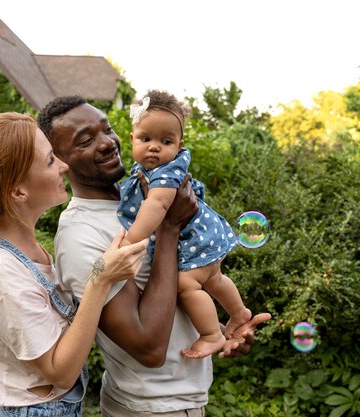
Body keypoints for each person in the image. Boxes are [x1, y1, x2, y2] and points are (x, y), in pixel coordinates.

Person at [38, 96, 271, 416]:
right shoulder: (81, 236)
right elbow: (147, 347)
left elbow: (172, 291)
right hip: (148, 409)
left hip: (186, 403)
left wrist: (220, 328)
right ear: (60, 160)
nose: (107, 142)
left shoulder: (143, 195)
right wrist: (169, 228)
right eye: (86, 140)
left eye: (106, 129)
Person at [0, 112, 149, 416]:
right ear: (18, 191)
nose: (64, 166)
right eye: (49, 161)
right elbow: (61, 372)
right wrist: (100, 278)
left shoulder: (20, 248)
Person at [118, 89, 252, 358]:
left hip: (194, 241)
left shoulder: (168, 172)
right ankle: (239, 312)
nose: (154, 147)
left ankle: (212, 334)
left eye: (166, 141)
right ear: (132, 139)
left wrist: (130, 240)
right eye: (145, 139)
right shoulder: (148, 169)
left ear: (179, 145)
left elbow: (157, 206)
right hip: (201, 237)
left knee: (186, 285)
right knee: (214, 277)